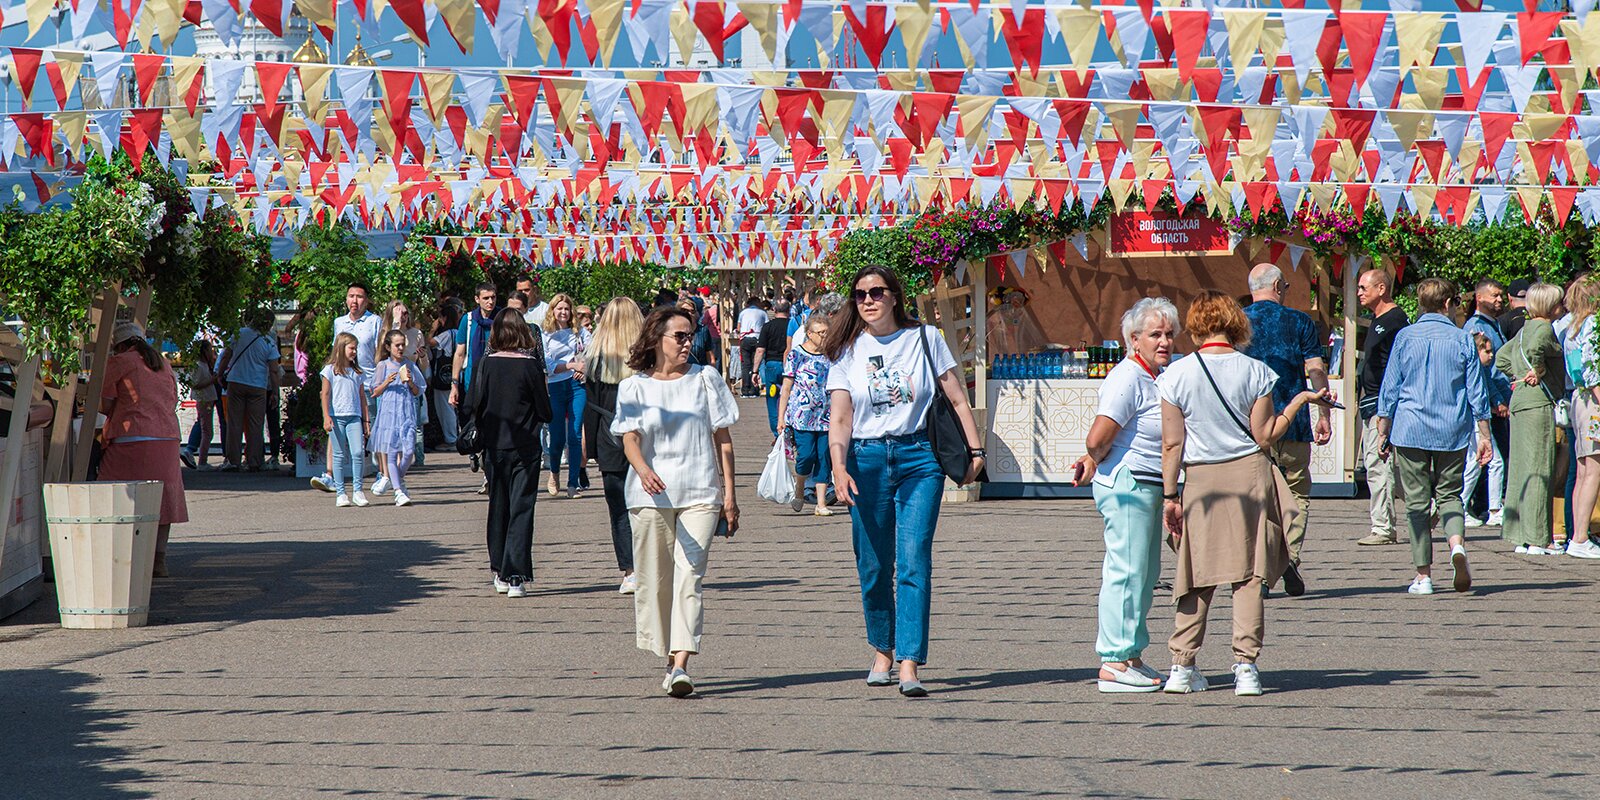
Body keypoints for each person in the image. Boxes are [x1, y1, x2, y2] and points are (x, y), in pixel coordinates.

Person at [1157, 291, 1333, 697]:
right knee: (1250, 575)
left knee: (1195, 574)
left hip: (1201, 480)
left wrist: (1171, 495)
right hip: (1250, 476)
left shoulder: (1176, 376)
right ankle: (1246, 667)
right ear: (1236, 323)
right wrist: (1300, 402)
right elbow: (1266, 434)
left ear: (1196, 325)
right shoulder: (1256, 371)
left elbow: (1172, 444)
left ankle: (1182, 666)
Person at [824, 266, 985, 698]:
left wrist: (976, 451)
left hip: (920, 457)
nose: (868, 300)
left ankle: (910, 661)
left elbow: (955, 396)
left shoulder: (925, 339)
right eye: (860, 295)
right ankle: (882, 649)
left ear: (895, 296)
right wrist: (838, 466)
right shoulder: (846, 351)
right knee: (873, 564)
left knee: (913, 558)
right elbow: (840, 417)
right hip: (866, 459)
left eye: (877, 292)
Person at [611, 306, 740, 698]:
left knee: (690, 577)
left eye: (691, 335)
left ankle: (682, 663)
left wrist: (730, 495)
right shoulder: (634, 386)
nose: (688, 342)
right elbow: (629, 436)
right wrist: (642, 468)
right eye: (679, 336)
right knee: (655, 581)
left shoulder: (706, 378)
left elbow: (723, 438)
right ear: (656, 340)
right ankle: (668, 655)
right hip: (649, 495)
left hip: (700, 492)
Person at [1070, 298, 1178, 693]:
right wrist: (1093, 457)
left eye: (1168, 334)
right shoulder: (1128, 377)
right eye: (1155, 334)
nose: (1164, 341)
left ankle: (1130, 655)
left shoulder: (1154, 376)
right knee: (1127, 573)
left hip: (1146, 486)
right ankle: (1114, 661)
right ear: (1135, 340)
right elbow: (1098, 437)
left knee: (1144, 575)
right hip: (1129, 485)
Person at [1375, 278, 1493, 594]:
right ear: (1446, 304)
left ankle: (1423, 576)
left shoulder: (1404, 337)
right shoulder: (1462, 339)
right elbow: (1476, 391)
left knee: (1415, 502)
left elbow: (1390, 388)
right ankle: (1456, 545)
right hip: (1451, 427)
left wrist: (1383, 428)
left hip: (1410, 427)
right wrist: (1485, 435)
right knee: (1450, 495)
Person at [1238, 264, 1328, 598]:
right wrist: (1324, 414)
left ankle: (1260, 570)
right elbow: (1316, 371)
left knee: (1255, 498)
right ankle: (1289, 555)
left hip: (1248, 426)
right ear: (1278, 286)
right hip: (1293, 421)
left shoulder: (1237, 322)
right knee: (1297, 493)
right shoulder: (1301, 322)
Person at [470, 310, 554, 598]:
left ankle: (498, 570)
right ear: (522, 332)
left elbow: (472, 405)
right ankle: (515, 574)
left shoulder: (485, 364)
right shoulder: (530, 366)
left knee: (498, 506)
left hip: (494, 445)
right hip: (526, 445)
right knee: (522, 508)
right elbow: (545, 411)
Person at [99, 321, 188, 579]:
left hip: (132, 436)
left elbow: (105, 404)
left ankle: (124, 556)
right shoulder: (163, 363)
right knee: (164, 499)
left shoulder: (120, 362)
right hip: (167, 436)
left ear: (120, 345)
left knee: (112, 491)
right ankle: (159, 561)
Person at [1495, 283, 1566, 554]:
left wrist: (1517, 374)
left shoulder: (1524, 328)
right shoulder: (1544, 328)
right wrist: (1536, 369)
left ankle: (1521, 535)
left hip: (1519, 401)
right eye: (1558, 303)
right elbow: (1537, 350)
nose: (1562, 307)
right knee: (1540, 469)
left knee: (1521, 469)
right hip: (1538, 402)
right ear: (1550, 306)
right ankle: (1539, 538)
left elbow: (1501, 357)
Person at [584, 298, 645, 594]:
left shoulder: (595, 358)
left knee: (619, 509)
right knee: (648, 505)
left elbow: (592, 407)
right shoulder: (649, 357)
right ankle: (651, 564)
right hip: (646, 439)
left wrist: (590, 451)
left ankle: (630, 571)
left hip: (609, 439)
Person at [1355, 268, 1409, 546]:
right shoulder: (1376, 320)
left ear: (1381, 289)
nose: (1359, 292)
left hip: (1383, 402)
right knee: (1386, 465)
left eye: (1364, 287)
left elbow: (1398, 364)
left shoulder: (1395, 320)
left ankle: (1383, 527)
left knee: (1377, 464)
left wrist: (1387, 406)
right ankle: (1431, 504)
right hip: (1371, 401)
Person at [311, 284, 382, 490]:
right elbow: (336, 352)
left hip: (367, 383)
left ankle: (381, 473)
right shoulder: (339, 322)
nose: (355, 300)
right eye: (351, 296)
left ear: (366, 300)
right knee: (335, 427)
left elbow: (379, 353)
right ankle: (330, 474)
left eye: (359, 297)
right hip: (342, 382)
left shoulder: (373, 321)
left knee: (372, 428)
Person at [1461, 279, 1510, 528]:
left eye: (1501, 295)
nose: (1499, 299)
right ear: (1479, 298)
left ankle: (1484, 506)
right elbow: (1481, 371)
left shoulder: (1493, 325)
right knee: (1486, 458)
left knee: (1488, 459)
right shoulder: (1476, 328)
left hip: (1494, 399)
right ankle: (1480, 506)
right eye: (1494, 295)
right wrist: (1497, 399)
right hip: (1486, 404)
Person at [776, 313, 835, 516]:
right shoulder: (797, 354)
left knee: (824, 457)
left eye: (827, 332)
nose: (825, 336)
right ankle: (800, 487)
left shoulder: (832, 354)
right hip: (802, 415)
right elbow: (786, 388)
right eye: (821, 333)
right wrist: (781, 418)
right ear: (809, 334)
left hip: (826, 414)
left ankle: (821, 503)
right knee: (807, 455)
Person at [1562, 277, 1600, 559]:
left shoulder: (1572, 326)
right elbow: (1593, 368)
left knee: (1583, 470)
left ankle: (1578, 533)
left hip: (1579, 396)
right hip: (1593, 398)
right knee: (1593, 469)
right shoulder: (1593, 326)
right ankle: (1580, 537)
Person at [219, 311, 281, 472]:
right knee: (255, 424)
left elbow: (226, 355)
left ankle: (233, 461)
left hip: (236, 382)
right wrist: (275, 392)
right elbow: (274, 370)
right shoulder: (268, 340)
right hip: (258, 385)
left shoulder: (239, 333)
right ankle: (254, 461)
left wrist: (219, 375)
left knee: (234, 423)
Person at [369, 330, 423, 507]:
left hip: (406, 413)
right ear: (388, 347)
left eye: (402, 345)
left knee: (408, 452)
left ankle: (393, 479)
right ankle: (399, 492)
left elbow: (418, 391)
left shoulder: (409, 365)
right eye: (397, 345)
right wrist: (387, 382)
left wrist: (410, 382)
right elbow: (374, 391)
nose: (400, 348)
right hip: (388, 413)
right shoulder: (383, 366)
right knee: (391, 453)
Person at [542, 293, 588, 498]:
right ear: (553, 311)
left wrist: (583, 366)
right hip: (555, 387)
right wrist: (570, 365)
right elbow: (548, 366)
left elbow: (593, 353)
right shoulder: (545, 335)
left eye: (566, 309)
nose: (563, 312)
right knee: (558, 436)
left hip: (577, 385)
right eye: (559, 308)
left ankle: (573, 483)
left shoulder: (581, 333)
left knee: (575, 434)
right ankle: (554, 473)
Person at [321, 333, 370, 508]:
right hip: (336, 417)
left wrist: (366, 421)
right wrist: (326, 416)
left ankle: (358, 490)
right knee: (339, 455)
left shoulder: (357, 372)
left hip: (354, 416)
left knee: (358, 452)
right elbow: (325, 394)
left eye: (356, 348)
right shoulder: (330, 370)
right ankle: (341, 492)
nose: (355, 352)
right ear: (341, 348)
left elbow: (362, 397)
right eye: (351, 348)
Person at [450, 283, 498, 408]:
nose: (490, 301)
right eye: (486, 298)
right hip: (472, 380)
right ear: (477, 299)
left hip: (496, 379)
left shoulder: (501, 318)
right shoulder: (469, 319)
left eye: (493, 297)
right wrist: (454, 384)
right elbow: (460, 353)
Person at [754, 299, 792, 436]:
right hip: (789, 366)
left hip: (771, 366)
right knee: (789, 397)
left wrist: (755, 371)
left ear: (774, 310)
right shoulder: (793, 326)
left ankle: (777, 433)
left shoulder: (767, 327)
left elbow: (760, 350)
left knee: (772, 399)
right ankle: (789, 429)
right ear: (789, 310)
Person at [182, 340, 219, 470]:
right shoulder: (199, 366)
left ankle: (201, 458)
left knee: (205, 428)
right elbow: (195, 384)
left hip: (208, 398)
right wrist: (212, 380)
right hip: (204, 400)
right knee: (207, 431)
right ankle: (202, 461)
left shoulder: (205, 365)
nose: (212, 352)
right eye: (209, 350)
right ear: (204, 351)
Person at [430, 303, 462, 449]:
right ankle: (456, 436)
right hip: (457, 374)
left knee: (445, 408)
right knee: (454, 408)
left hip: (444, 376)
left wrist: (432, 329)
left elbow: (429, 342)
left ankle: (451, 439)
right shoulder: (458, 332)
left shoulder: (446, 334)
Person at [736, 297, 768, 397]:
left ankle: (745, 389)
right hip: (757, 339)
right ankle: (754, 389)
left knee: (745, 365)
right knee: (756, 364)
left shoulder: (743, 313)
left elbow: (738, 327)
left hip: (745, 339)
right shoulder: (762, 313)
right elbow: (766, 326)